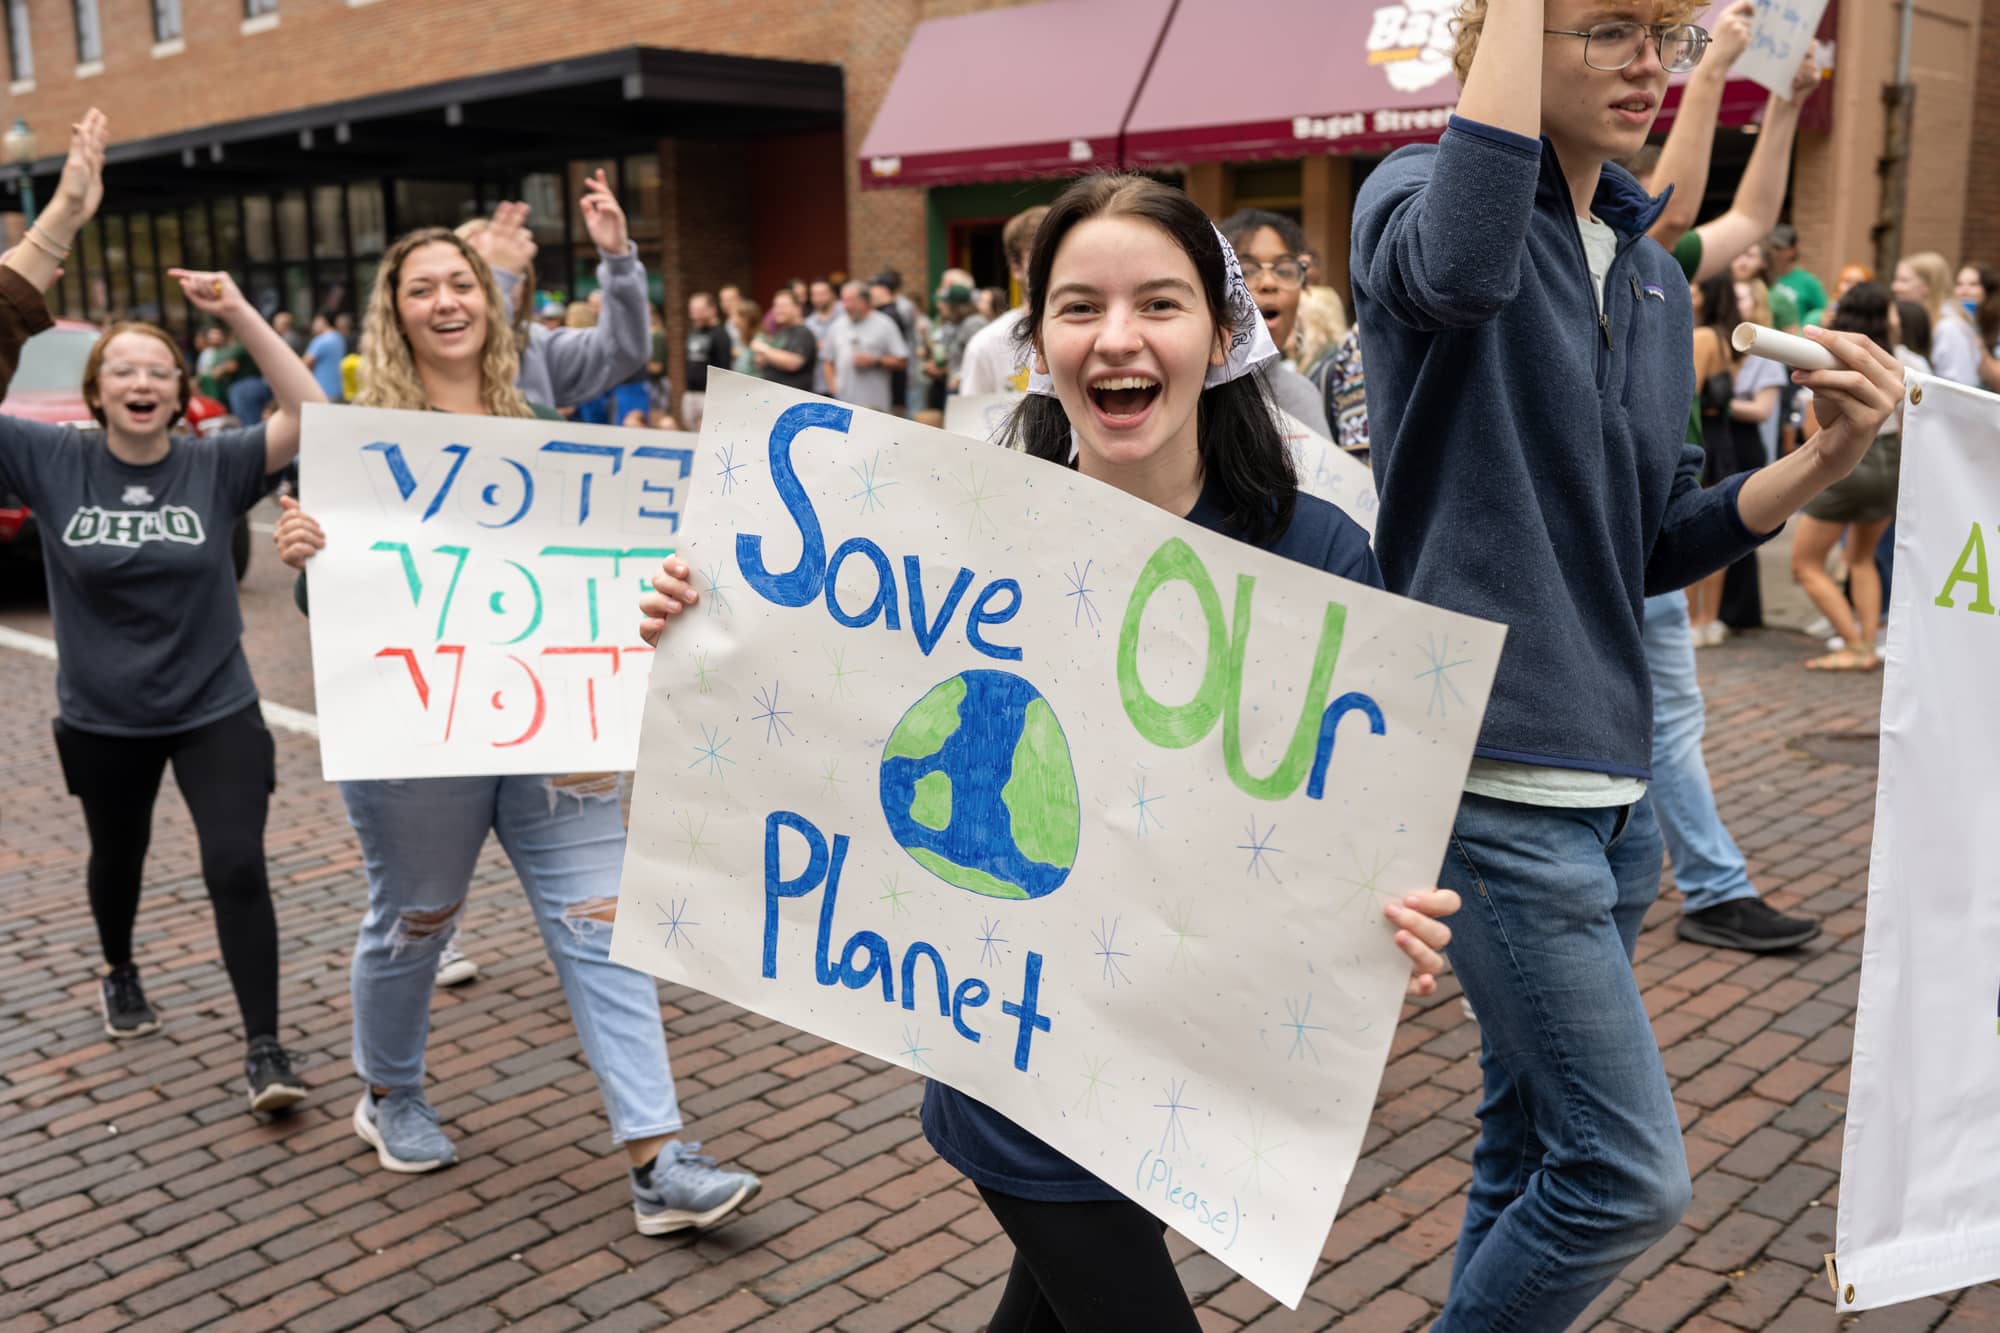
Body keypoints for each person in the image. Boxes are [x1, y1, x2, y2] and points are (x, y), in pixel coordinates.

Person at [638, 174, 1461, 1332]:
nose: (1116, 338)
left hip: (1186, 1049)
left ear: (1222, 335)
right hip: (1011, 1041)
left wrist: (1396, 910)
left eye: (1158, 304)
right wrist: (705, 616)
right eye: (1077, 307)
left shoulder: (1314, 552)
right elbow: (822, 697)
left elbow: (1358, 812)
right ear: (1035, 340)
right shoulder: (955, 529)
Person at [1350, 4, 1902, 1326]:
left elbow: (1655, 539)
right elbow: (1467, 270)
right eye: (1604, 26)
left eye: (1661, 29)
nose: (1649, 59)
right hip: (1489, 776)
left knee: (1529, 1139)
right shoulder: (1416, 194)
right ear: (1513, 34)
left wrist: (1821, 462)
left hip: (1612, 794)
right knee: (1625, 1175)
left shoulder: (1651, 277)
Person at [268, 226, 762, 1233]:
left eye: (462, 282)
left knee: (600, 928)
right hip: (419, 736)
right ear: (393, 311)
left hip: (557, 732)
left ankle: (658, 1156)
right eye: (422, 288)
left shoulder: (542, 425)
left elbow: (606, 584)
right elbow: (342, 613)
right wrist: (310, 555)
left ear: (489, 303)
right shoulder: (362, 436)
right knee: (415, 919)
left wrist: (660, 586)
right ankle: (390, 1092)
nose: (447, 300)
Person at [0, 109, 324, 1119]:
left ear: (182, 392)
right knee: (118, 857)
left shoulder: (217, 459)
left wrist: (239, 314)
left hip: (214, 703)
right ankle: (118, 962)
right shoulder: (47, 456)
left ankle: (265, 1047)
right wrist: (58, 221)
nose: (141, 380)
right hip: (101, 714)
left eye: (158, 369)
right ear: (98, 394)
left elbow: (313, 416)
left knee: (235, 860)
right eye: (122, 370)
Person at [1788, 283, 1918, 672]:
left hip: (1850, 460)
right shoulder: (1907, 360)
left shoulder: (1827, 356)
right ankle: (1866, 640)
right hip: (1890, 464)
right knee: (1862, 559)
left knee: (1805, 564)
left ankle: (1853, 643)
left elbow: (1817, 428)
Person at [1219, 209, 1334, 437]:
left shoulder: (1304, 395)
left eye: (1284, 270)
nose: (1269, 282)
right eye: (1246, 270)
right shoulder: (1189, 396)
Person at [960, 206, 1050, 396]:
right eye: (1041, 257)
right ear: (1016, 266)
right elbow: (968, 422)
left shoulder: (1098, 335)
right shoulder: (987, 345)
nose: (1053, 265)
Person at [1892, 250, 1980, 384]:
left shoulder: (1949, 328)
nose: (1895, 287)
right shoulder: (1929, 320)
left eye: (1904, 280)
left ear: (1927, 286)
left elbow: (1959, 387)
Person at [827, 279, 909, 413]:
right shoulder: (837, 326)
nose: (845, 306)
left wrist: (876, 361)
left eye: (850, 301)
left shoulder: (885, 324)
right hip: (843, 404)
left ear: (864, 301)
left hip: (875, 406)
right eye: (843, 301)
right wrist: (833, 387)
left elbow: (902, 361)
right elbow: (827, 360)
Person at [681, 292, 734, 432]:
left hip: (709, 395)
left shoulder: (721, 335)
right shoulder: (694, 332)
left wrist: (717, 398)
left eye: (699, 310)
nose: (694, 314)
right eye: (692, 310)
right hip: (690, 392)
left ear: (712, 309)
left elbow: (725, 369)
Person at [749, 288, 817, 392]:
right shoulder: (781, 333)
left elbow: (794, 363)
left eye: (783, 306)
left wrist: (763, 349)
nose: (778, 310)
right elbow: (762, 361)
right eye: (776, 306)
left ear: (798, 308)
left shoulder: (803, 333)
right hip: (773, 395)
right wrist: (762, 357)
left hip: (793, 401)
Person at [1763, 224, 1826, 326]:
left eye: (1779, 248)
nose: (1774, 252)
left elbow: (1822, 315)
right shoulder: (1761, 276)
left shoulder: (1808, 282)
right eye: (1771, 247)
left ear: (1793, 250)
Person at [804, 278, 843, 394]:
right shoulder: (808, 323)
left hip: (847, 382)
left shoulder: (846, 314)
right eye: (815, 295)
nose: (819, 298)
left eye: (822, 294)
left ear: (832, 294)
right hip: (820, 384)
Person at [303, 312, 346, 404]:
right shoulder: (339, 338)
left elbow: (305, 364)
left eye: (315, 322)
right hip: (338, 390)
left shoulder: (320, 340)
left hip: (321, 391)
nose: (313, 326)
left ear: (323, 321)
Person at [728, 298, 763, 378]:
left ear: (745, 319)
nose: (731, 320)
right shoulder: (742, 338)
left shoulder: (759, 340)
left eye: (733, 315)